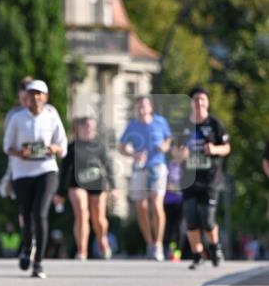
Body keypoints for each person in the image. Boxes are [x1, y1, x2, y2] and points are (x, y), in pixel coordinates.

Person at [3, 79, 67, 279]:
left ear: (45, 97)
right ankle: (26, 248)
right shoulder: (17, 118)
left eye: (39, 94)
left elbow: (62, 145)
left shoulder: (51, 116)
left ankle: (38, 262)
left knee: (40, 213)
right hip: (22, 173)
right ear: (26, 98)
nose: (35, 98)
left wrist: (53, 149)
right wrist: (20, 152)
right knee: (27, 215)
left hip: (46, 170)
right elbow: (7, 146)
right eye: (32, 94)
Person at [173, 86, 230, 270]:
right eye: (196, 99)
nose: (199, 102)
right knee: (190, 217)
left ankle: (214, 247)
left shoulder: (215, 124)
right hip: (189, 177)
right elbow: (174, 151)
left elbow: (227, 148)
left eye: (202, 99)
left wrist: (214, 149)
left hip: (210, 178)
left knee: (207, 218)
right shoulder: (182, 126)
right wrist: (181, 154)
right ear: (191, 103)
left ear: (207, 102)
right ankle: (197, 254)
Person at [55, 115, 117, 260]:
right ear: (79, 128)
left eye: (91, 126)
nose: (89, 129)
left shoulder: (99, 146)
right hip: (76, 184)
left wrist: (113, 186)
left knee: (98, 218)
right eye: (86, 126)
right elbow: (64, 171)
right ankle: (81, 250)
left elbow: (108, 166)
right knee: (82, 214)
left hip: (96, 184)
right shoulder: (71, 147)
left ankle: (103, 240)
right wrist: (60, 193)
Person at [118, 95, 172, 261]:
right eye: (139, 106)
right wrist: (133, 154)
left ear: (151, 108)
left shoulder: (160, 122)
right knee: (141, 206)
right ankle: (149, 243)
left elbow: (168, 138)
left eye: (144, 105)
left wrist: (165, 146)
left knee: (156, 203)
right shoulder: (132, 125)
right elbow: (121, 147)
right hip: (139, 168)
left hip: (157, 166)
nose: (141, 109)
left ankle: (158, 244)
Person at [0, 77, 33, 200]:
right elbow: (8, 142)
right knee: (24, 207)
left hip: (40, 166)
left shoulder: (46, 113)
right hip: (19, 164)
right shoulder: (13, 114)